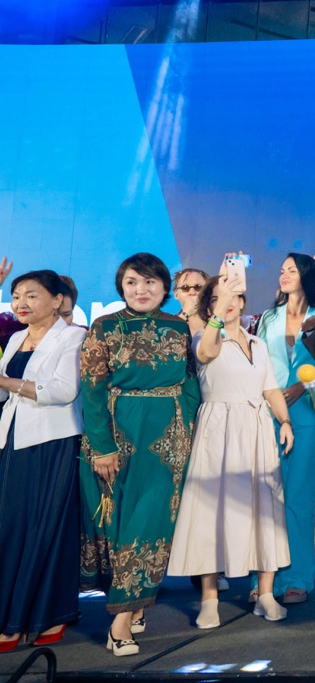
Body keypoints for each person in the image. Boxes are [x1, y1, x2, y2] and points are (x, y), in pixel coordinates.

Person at [79, 253, 201, 656]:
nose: (141, 289)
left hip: (167, 439)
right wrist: (102, 446)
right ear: (121, 287)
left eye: (150, 282)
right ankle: (132, 604)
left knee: (150, 522)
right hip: (116, 434)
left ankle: (119, 623)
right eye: (132, 282)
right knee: (117, 527)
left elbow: (190, 383)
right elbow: (92, 389)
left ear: (165, 288)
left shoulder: (179, 328)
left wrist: (186, 429)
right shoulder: (104, 326)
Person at [168, 272, 293, 628]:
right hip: (218, 430)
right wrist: (216, 316)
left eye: (233, 296)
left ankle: (265, 594)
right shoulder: (204, 336)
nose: (227, 303)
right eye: (217, 298)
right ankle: (209, 599)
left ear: (243, 301)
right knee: (211, 511)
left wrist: (284, 421)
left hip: (256, 429)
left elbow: (270, 389)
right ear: (209, 306)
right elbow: (206, 352)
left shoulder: (258, 343)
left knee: (264, 509)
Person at [0, 270, 86, 650]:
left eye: (32, 295)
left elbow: (64, 391)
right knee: (12, 527)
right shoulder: (15, 338)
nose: (21, 303)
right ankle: (11, 614)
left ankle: (44, 616)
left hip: (52, 443)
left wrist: (5, 383)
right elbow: (7, 395)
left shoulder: (73, 337)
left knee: (45, 528)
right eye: (17, 295)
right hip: (13, 440)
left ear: (57, 300)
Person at [251, 253, 315, 602]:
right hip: (269, 410)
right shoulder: (269, 317)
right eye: (281, 270)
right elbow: (258, 362)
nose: (284, 275)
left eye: (292, 270)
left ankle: (298, 577)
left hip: (308, 411)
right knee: (267, 497)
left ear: (307, 275)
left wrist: (302, 385)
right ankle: (264, 580)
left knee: (299, 496)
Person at [173, 268, 210, 335]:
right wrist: (185, 314)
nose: (192, 292)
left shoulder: (219, 320)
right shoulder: (168, 323)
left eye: (198, 287)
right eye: (185, 288)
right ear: (176, 294)